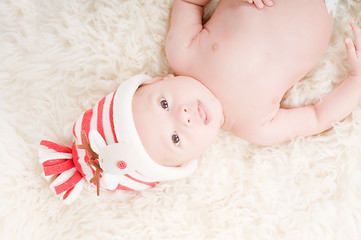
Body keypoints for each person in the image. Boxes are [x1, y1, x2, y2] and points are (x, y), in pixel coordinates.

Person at [132, 0, 361, 168]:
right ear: (194, 158)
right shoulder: (255, 128)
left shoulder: (181, 53)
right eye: (175, 138)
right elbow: (317, 117)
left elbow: (189, 2)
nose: (183, 117)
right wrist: (356, 80)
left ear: (159, 81)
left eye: (164, 104)